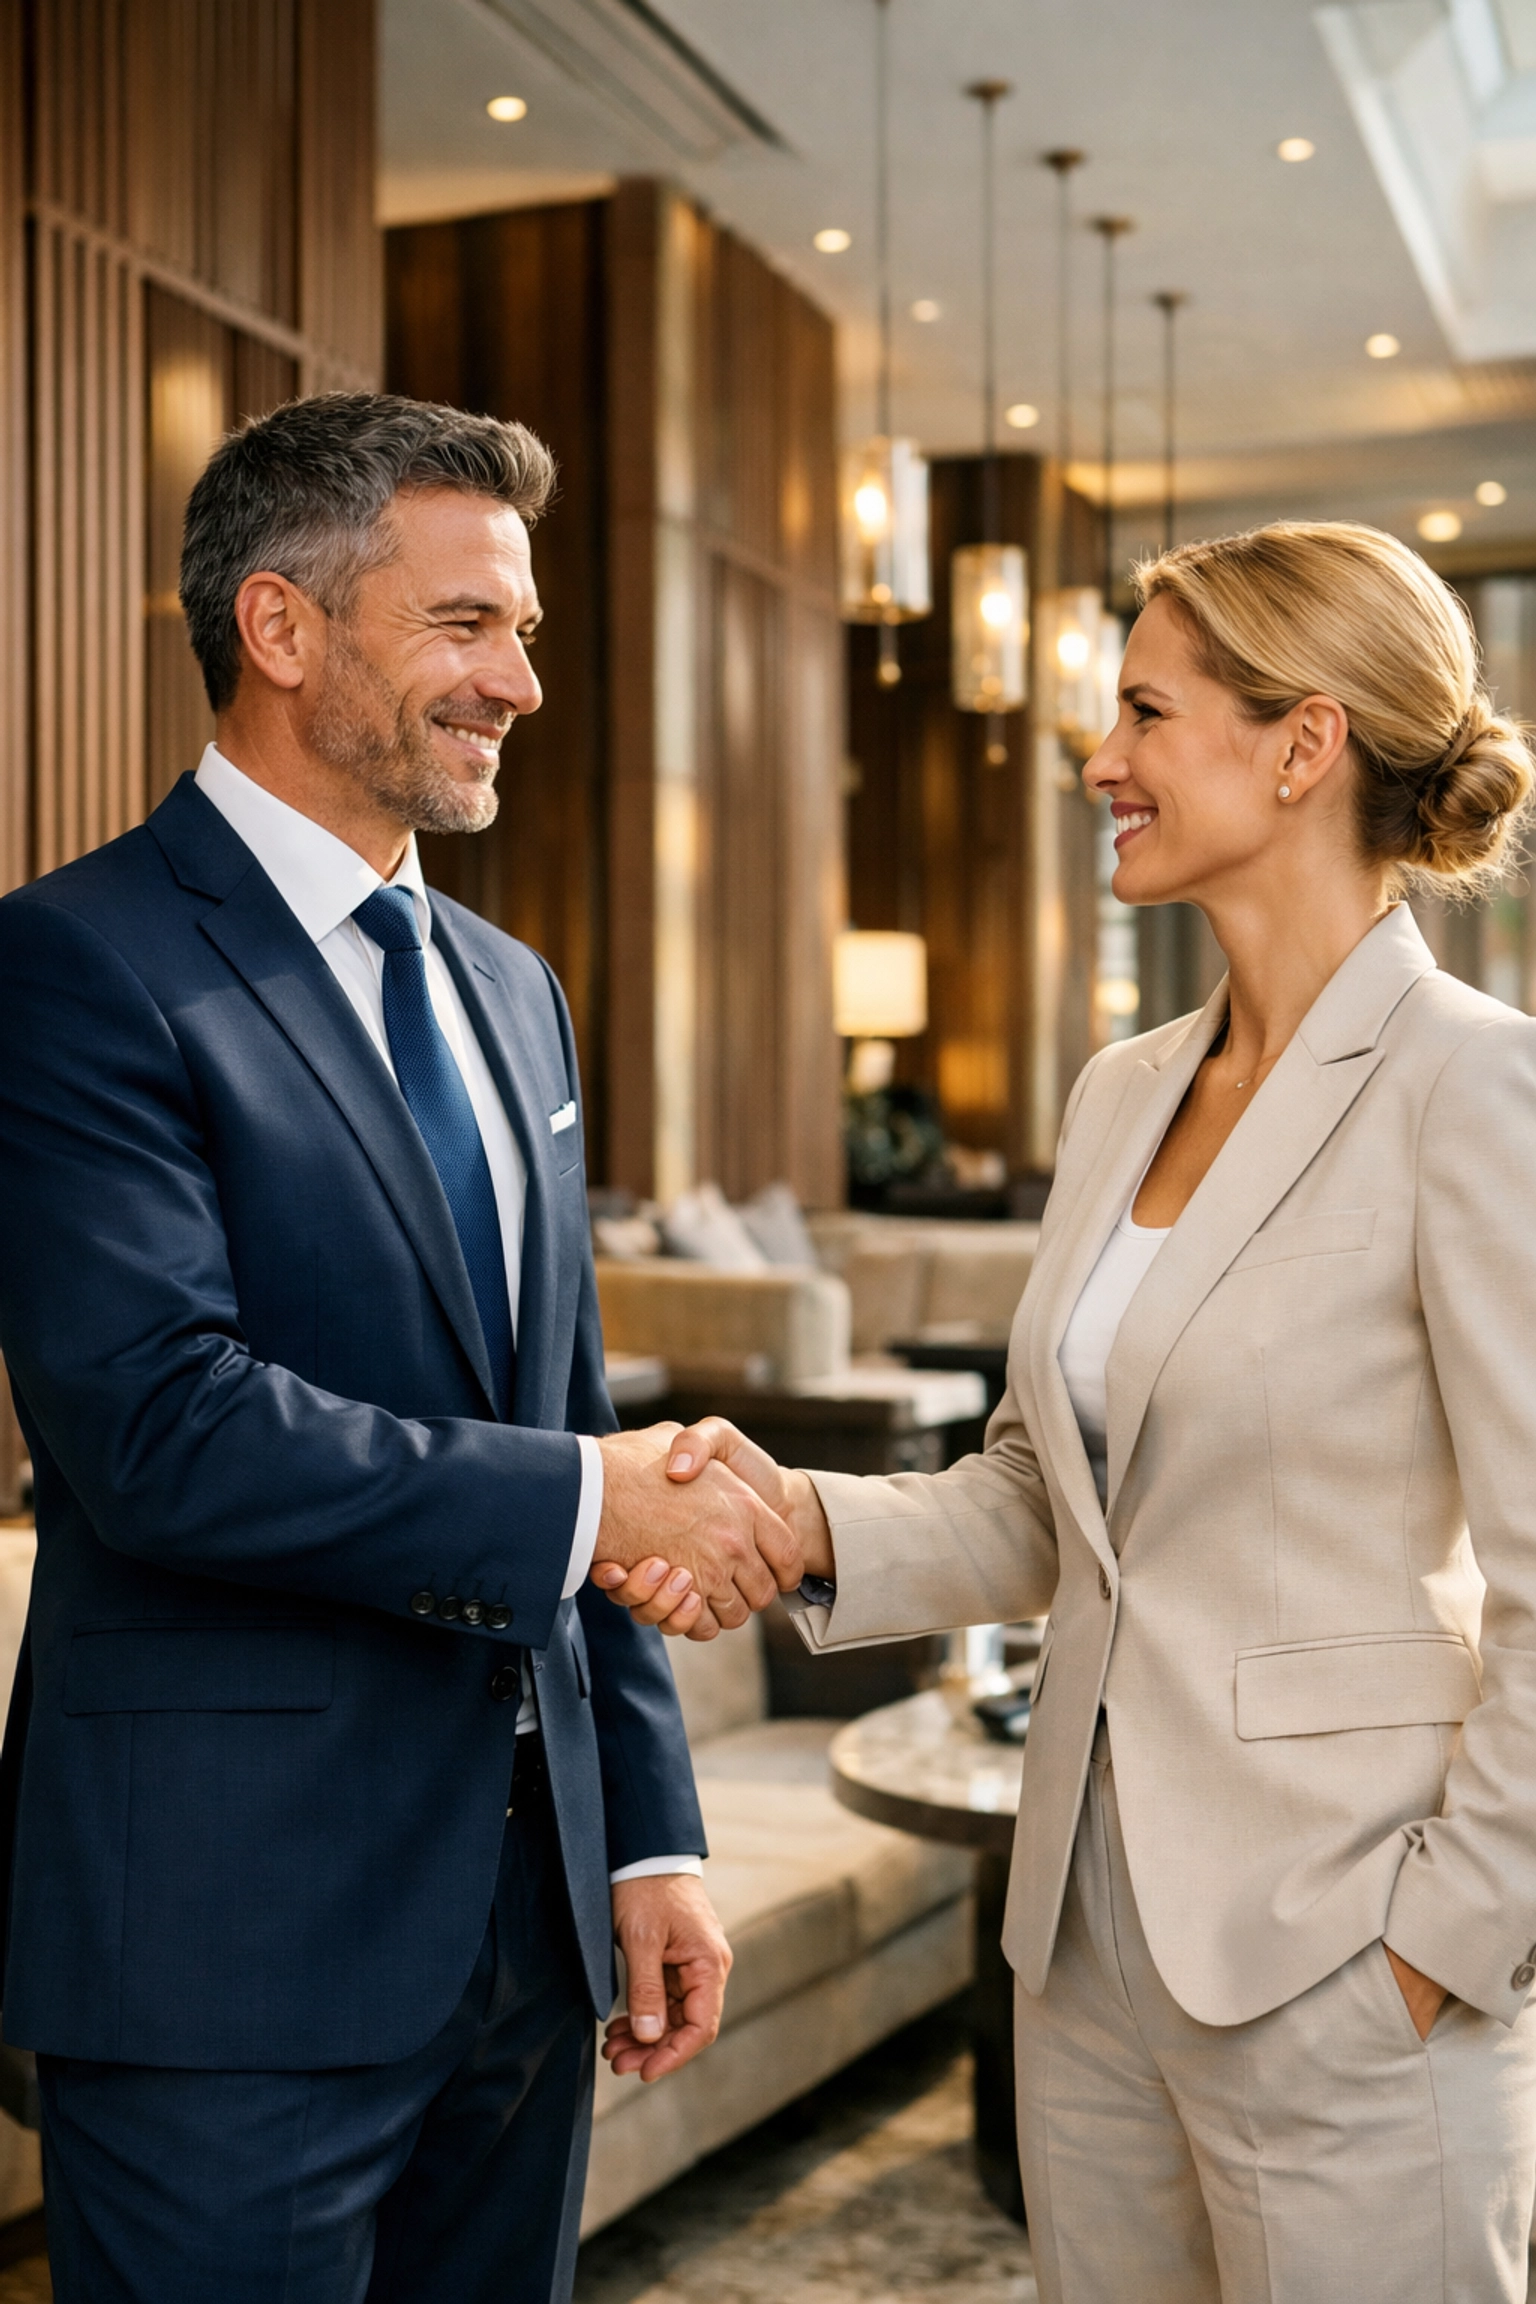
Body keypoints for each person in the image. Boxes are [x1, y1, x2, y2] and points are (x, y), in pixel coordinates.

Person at [599, 522, 1536, 2302]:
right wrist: (795, 1518)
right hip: (1084, 1950)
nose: (1098, 760)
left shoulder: (1477, 1091)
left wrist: (1449, 1938)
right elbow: (1049, 1494)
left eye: (1145, 711)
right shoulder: (1122, 1093)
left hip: (1347, 1958)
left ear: (1301, 742)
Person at [0, 392, 801, 2304]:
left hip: (530, 1942)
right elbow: (157, 1428)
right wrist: (589, 1494)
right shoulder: (76, 963)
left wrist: (646, 1844)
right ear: (282, 630)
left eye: (524, 631)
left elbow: (563, 1416)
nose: (521, 680)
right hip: (225, 1950)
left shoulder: (516, 993)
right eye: (467, 625)